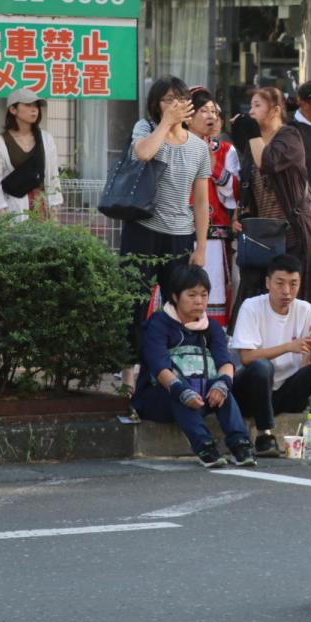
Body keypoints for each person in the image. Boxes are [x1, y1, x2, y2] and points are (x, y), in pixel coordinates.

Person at [120, 76, 211, 389]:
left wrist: (200, 246)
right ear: (155, 105)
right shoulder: (145, 129)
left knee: (178, 305)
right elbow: (143, 153)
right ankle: (129, 373)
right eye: (166, 100)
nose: (174, 105)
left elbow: (201, 201)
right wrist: (166, 124)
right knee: (135, 301)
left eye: (179, 99)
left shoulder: (199, 147)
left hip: (179, 235)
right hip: (142, 230)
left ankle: (172, 369)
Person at [132, 265, 254, 468]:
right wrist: (181, 390)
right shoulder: (159, 323)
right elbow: (159, 365)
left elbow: (225, 363)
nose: (199, 301)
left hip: (200, 396)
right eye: (191, 295)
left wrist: (222, 385)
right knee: (179, 391)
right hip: (160, 398)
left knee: (223, 389)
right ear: (175, 296)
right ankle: (205, 446)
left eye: (204, 295)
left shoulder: (211, 327)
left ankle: (240, 445)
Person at [230, 254, 311, 458]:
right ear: (267, 283)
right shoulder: (251, 306)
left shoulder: (304, 309)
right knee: (262, 367)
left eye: (293, 284)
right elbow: (246, 357)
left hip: (286, 393)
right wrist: (288, 347)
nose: (286, 291)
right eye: (280, 283)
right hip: (252, 394)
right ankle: (264, 436)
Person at [231, 87, 311, 325]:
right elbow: (248, 184)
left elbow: (267, 163)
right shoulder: (255, 142)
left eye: (257, 105)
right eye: (250, 106)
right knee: (254, 294)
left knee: (291, 297)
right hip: (262, 236)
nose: (251, 111)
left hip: (292, 234)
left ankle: (297, 353)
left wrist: (250, 135)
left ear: (275, 110)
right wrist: (240, 214)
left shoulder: (290, 137)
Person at [187, 88, 240, 327]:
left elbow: (233, 195)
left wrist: (214, 166)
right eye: (203, 110)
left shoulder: (226, 150)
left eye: (213, 111)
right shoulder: (174, 145)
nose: (210, 116)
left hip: (214, 234)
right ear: (188, 115)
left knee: (213, 290)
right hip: (179, 230)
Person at [0, 88, 63, 222]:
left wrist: (54, 215)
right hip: (10, 209)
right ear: (13, 110)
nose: (34, 109)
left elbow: (52, 178)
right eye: (28, 105)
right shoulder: (0, 142)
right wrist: (3, 218)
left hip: (40, 208)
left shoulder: (46, 139)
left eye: (36, 105)